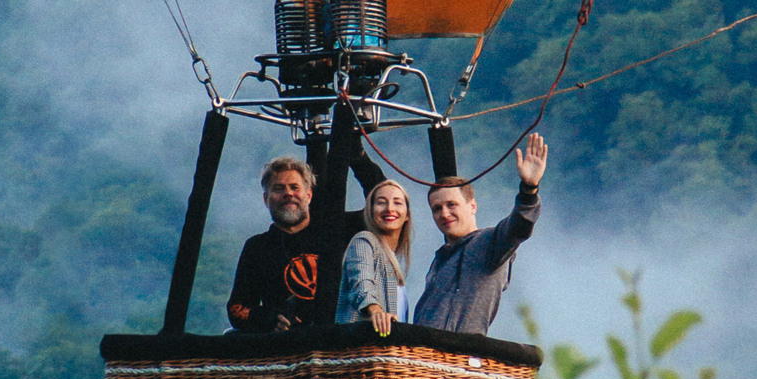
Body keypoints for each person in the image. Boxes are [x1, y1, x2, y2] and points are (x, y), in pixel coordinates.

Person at [226, 134, 386, 332]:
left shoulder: (337, 228)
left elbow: (384, 204)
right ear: (266, 199)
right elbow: (236, 308)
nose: (288, 194)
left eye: (295, 187)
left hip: (341, 344)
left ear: (308, 195)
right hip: (290, 350)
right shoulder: (257, 247)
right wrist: (268, 318)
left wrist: (358, 158)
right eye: (279, 188)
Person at [412, 131, 547, 335]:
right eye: (437, 208)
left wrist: (529, 189)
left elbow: (519, 227)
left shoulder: (488, 243)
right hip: (423, 356)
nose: (444, 213)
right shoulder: (440, 259)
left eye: (452, 204)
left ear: (472, 206)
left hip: (457, 356)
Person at [335, 179, 411, 336]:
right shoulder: (363, 241)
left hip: (388, 356)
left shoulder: (393, 262)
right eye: (381, 202)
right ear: (370, 211)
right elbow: (361, 282)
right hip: (360, 352)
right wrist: (375, 310)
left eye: (397, 203)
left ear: (407, 215)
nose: (389, 208)